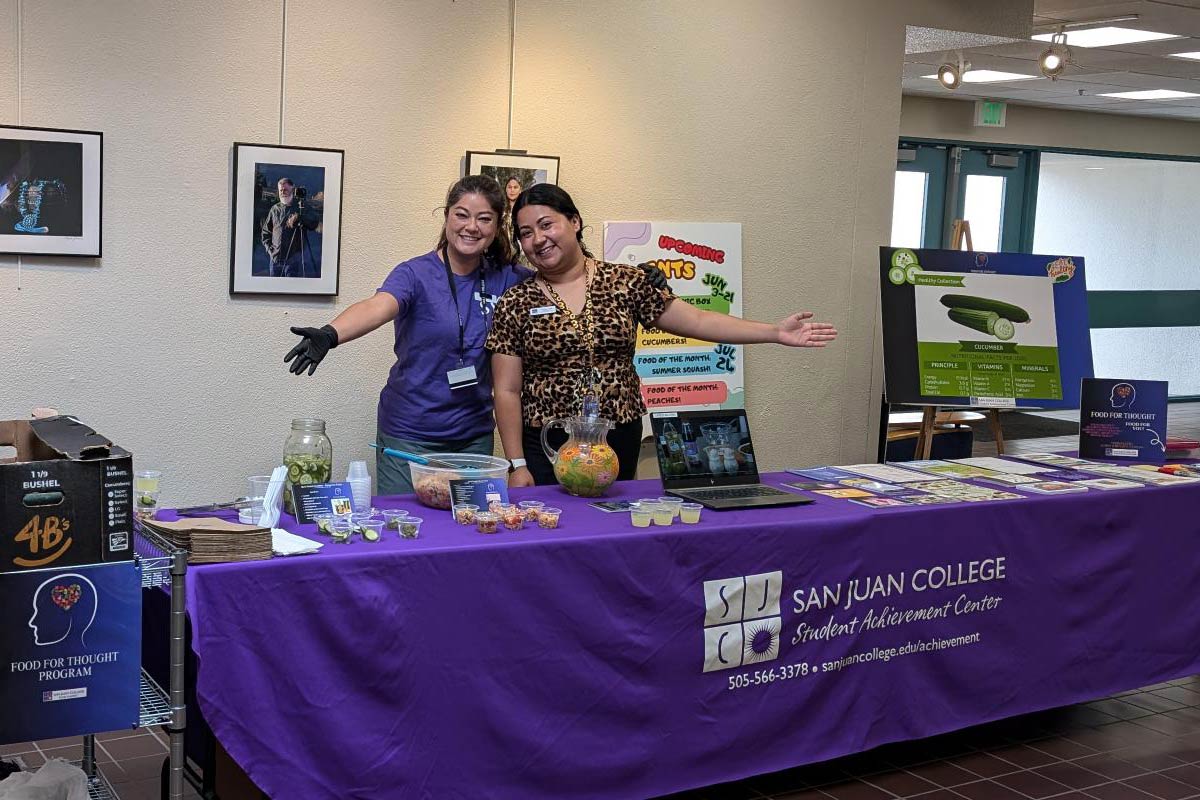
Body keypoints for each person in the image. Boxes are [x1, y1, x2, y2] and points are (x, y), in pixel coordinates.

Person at [486, 184, 838, 488]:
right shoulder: (517, 301)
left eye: (546, 225)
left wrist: (774, 332)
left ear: (574, 221)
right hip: (548, 442)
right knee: (554, 531)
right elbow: (506, 389)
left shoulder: (626, 282)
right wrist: (517, 465)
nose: (538, 239)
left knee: (609, 527)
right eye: (526, 233)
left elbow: (699, 320)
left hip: (616, 433)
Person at [283, 175, 530, 495]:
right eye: (461, 214)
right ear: (446, 216)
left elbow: (555, 282)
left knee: (466, 532)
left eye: (484, 218)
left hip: (472, 437)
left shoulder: (507, 278)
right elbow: (378, 306)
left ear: (497, 226)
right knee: (406, 529)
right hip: (409, 434)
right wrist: (330, 334)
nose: (472, 226)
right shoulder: (415, 273)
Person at [261, 178, 321, 278]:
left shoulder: (301, 207)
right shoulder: (275, 209)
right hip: (275, 260)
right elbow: (265, 233)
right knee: (273, 291)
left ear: (292, 189)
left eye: (285, 190)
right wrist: (270, 251)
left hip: (293, 261)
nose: (282, 192)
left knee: (291, 290)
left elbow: (314, 223)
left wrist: (300, 216)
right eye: (280, 190)